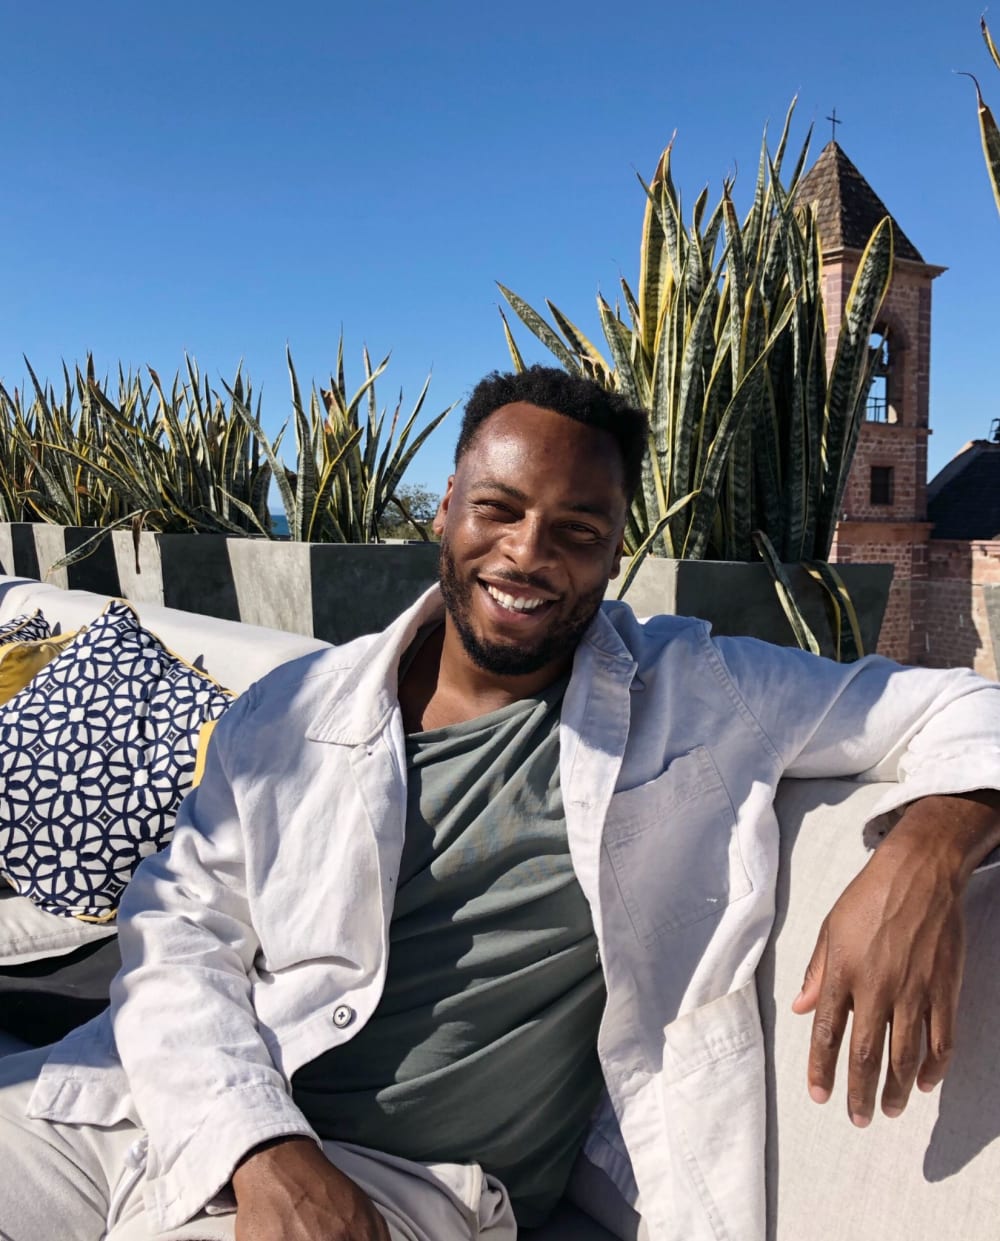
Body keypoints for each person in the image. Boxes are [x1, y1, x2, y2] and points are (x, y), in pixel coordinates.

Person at [1, 365, 999, 1241]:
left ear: (615, 553)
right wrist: (258, 1143)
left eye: (577, 529)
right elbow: (176, 931)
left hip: (395, 1184)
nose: (528, 553)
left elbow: (957, 704)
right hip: (144, 1099)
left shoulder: (695, 691)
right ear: (445, 510)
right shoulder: (292, 708)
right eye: (500, 509)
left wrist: (931, 845)